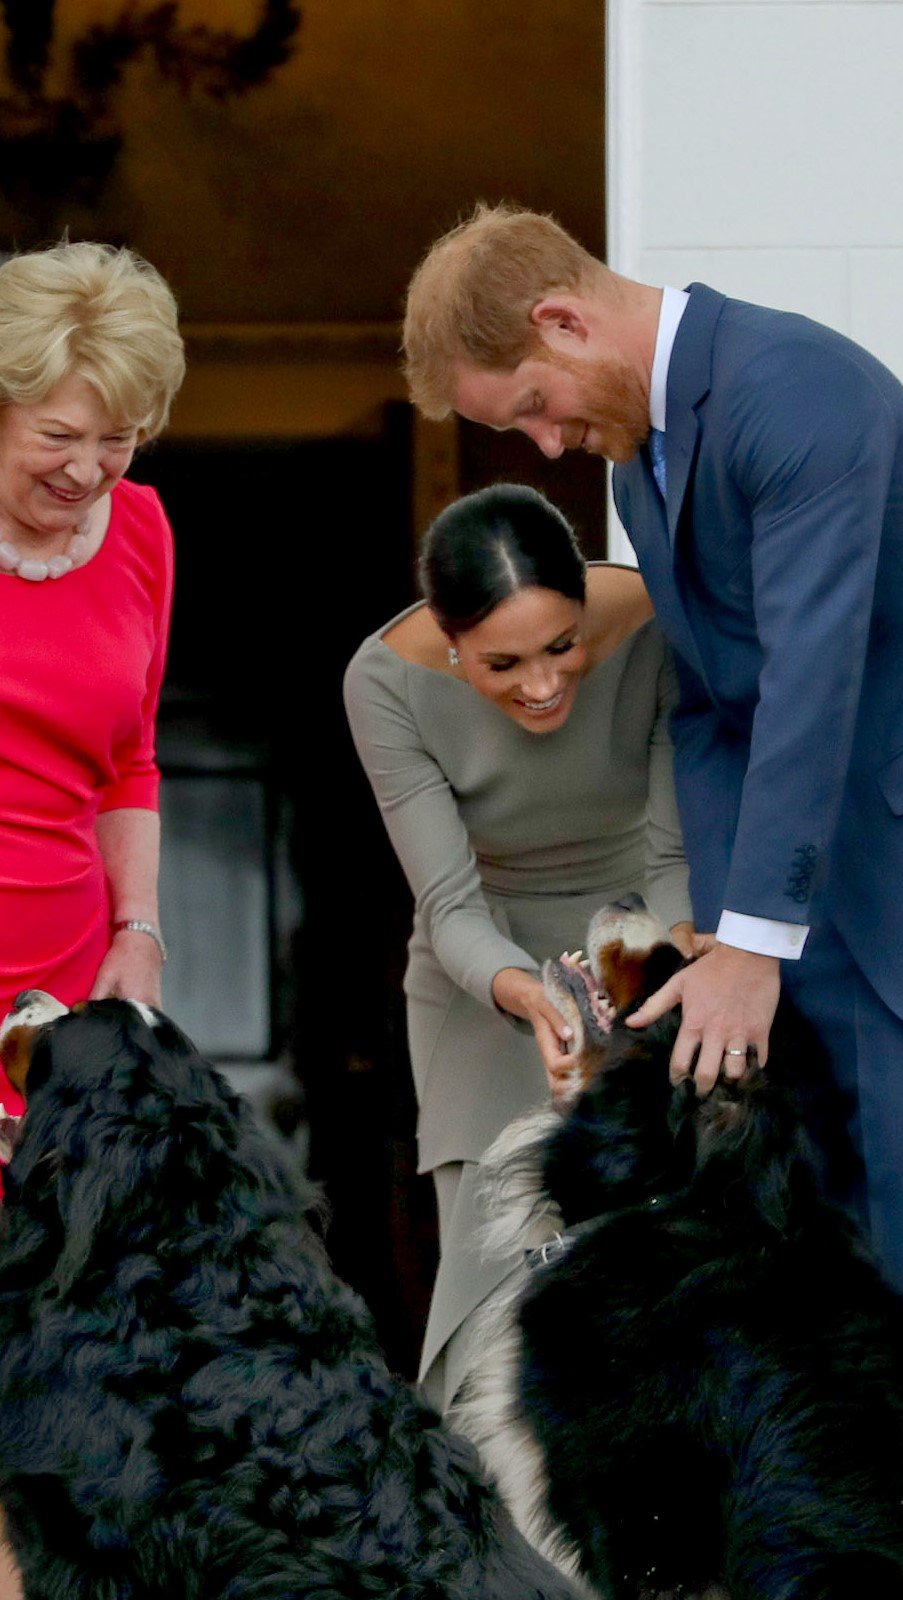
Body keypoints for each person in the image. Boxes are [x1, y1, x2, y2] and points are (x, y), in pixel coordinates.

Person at [401, 208, 903, 1380]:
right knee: (803, 1304)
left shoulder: (798, 389)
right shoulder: (642, 468)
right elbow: (718, 712)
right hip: (796, 911)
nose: (551, 444)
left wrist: (755, 941)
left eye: (530, 404)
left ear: (564, 319)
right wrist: (717, 939)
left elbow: (810, 677)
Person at [0, 241, 185, 1600]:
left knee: (36, 1364)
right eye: (60, 439)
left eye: (119, 440)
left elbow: (126, 754)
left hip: (54, 1014)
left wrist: (142, 928)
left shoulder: (146, 534)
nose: (90, 470)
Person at [343, 482, 693, 1411]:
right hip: (482, 972)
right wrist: (527, 997)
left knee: (651, 1250)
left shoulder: (657, 620)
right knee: (498, 1273)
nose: (542, 685)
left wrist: (665, 978)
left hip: (640, 939)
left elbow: (672, 854)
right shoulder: (382, 682)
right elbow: (448, 905)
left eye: (562, 646)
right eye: (502, 663)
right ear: (449, 644)